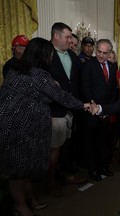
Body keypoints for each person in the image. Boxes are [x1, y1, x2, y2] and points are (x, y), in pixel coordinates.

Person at [0, 37, 92, 216]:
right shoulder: (39, 75)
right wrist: (84, 105)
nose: (51, 56)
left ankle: (29, 199)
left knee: (23, 168)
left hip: (12, 124)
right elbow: (62, 97)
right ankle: (20, 205)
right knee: (19, 170)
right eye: (50, 53)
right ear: (42, 55)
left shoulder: (16, 70)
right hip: (19, 128)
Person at [48, 22, 86, 197]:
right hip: (54, 110)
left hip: (72, 108)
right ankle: (50, 181)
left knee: (66, 145)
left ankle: (65, 174)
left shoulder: (71, 54)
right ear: (56, 36)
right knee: (53, 148)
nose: (71, 40)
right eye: (67, 37)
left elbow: (79, 79)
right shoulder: (45, 54)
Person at [80, 39, 118, 181]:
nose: (101, 55)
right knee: (92, 143)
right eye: (99, 52)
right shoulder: (88, 66)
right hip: (92, 111)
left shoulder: (113, 67)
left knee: (104, 142)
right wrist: (94, 108)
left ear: (110, 53)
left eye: (105, 53)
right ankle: (93, 170)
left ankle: (103, 167)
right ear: (96, 50)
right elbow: (85, 88)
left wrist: (107, 109)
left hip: (106, 111)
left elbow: (113, 90)